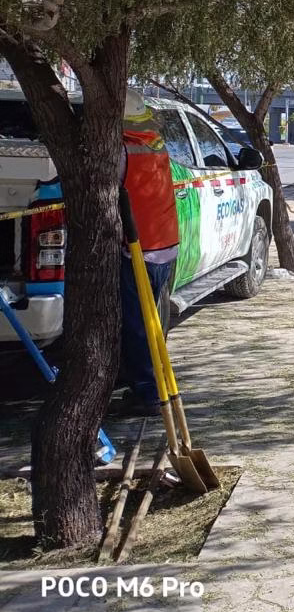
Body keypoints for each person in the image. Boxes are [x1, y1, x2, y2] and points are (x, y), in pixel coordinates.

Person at [119, 90, 180, 415]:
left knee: (138, 325)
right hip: (164, 243)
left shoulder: (122, 149)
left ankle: (148, 394)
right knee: (151, 322)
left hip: (140, 248)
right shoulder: (155, 141)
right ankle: (151, 385)